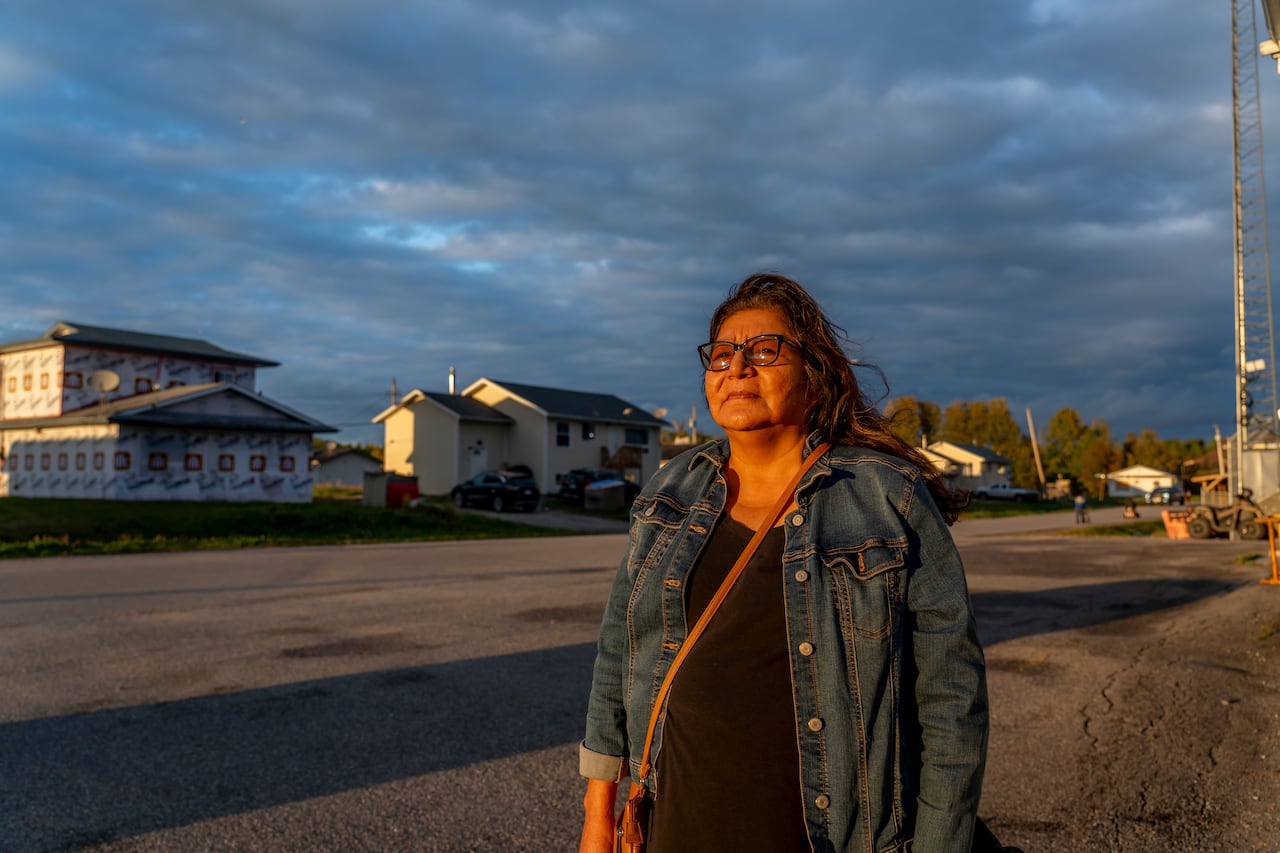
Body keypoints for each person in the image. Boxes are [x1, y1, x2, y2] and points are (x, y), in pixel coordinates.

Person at [578, 273, 990, 853]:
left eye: (764, 351)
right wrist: (599, 815)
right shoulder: (669, 493)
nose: (737, 368)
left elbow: (952, 700)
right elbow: (619, 653)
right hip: (678, 824)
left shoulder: (885, 498)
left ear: (815, 378)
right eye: (722, 355)